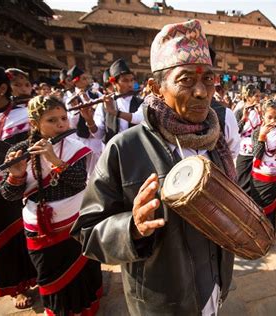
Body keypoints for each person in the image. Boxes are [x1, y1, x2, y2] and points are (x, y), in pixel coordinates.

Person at [70, 19, 237, 315]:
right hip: (162, 304)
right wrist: (131, 228)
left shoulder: (215, 143)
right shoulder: (124, 149)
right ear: (155, 88)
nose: (202, 92)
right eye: (186, 80)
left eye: (208, 80)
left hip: (214, 287)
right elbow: (87, 233)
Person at [0, 95, 103, 315]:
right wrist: (16, 175)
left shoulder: (76, 146)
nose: (61, 125)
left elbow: (79, 182)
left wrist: (55, 161)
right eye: (52, 120)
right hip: (39, 226)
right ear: (35, 124)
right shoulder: (18, 151)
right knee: (50, 274)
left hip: (75, 221)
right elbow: (9, 195)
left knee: (83, 270)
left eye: (63, 118)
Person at [0, 63, 37, 309]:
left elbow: (26, 154)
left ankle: (27, 282)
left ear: (1, 89)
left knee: (20, 236)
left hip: (17, 185)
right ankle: (14, 285)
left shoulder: (24, 116)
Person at [250, 100, 276, 231]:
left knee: (271, 209)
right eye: (269, 117)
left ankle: (269, 233)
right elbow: (257, 154)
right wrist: (262, 137)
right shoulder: (257, 131)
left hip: (275, 178)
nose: (273, 120)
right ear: (263, 116)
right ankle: (256, 234)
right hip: (259, 178)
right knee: (257, 207)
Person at [90, 58, 144, 144]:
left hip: (135, 152)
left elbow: (139, 118)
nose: (130, 85)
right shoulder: (104, 104)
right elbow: (99, 135)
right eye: (125, 81)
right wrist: (89, 120)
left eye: (132, 80)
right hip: (112, 152)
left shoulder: (141, 102)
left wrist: (115, 112)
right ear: (114, 83)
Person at [66, 65, 104, 175]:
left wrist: (90, 101)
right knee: (88, 170)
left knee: (101, 167)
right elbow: (72, 124)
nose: (87, 81)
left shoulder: (96, 94)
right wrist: (75, 111)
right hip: (83, 138)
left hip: (98, 137)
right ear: (75, 81)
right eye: (83, 78)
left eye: (86, 78)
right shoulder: (70, 98)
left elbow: (101, 111)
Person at [235, 83, 262, 195]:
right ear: (248, 97)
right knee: (242, 180)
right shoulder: (240, 111)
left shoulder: (261, 111)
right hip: (244, 151)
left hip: (258, 150)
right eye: (256, 96)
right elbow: (235, 131)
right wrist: (243, 119)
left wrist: (261, 114)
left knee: (255, 180)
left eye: (260, 96)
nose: (259, 99)